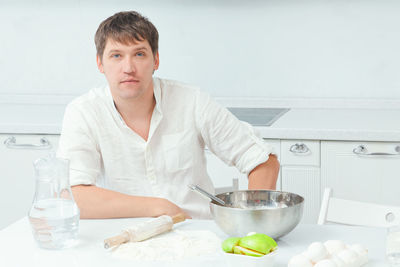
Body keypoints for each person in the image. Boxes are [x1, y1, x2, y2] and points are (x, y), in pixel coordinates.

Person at [57, 11, 280, 220]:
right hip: (126, 241)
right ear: (100, 63)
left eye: (139, 54)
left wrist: (252, 221)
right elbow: (73, 195)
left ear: (156, 60)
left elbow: (263, 161)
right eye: (116, 55)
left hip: (197, 235)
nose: (128, 67)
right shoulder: (83, 112)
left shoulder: (192, 101)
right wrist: (159, 207)